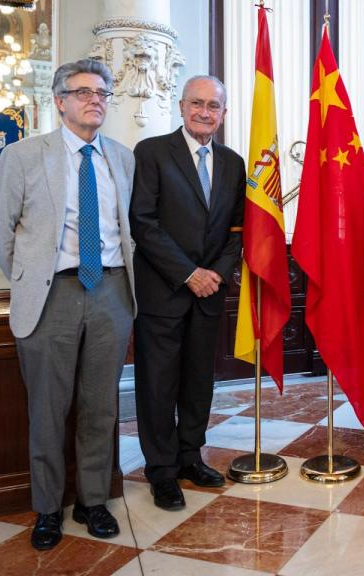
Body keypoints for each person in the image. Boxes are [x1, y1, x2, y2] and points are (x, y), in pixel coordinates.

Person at [0, 58, 136, 551]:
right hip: (52, 293)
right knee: (48, 409)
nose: (96, 99)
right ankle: (48, 508)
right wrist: (31, 279)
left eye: (102, 92)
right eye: (84, 92)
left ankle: (93, 501)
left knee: (100, 408)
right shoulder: (25, 155)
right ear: (60, 100)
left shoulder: (122, 156)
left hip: (112, 290)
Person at [129, 75, 246, 511]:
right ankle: (160, 471)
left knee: (199, 382)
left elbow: (237, 230)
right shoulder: (153, 152)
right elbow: (143, 222)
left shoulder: (234, 163)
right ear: (181, 107)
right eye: (197, 103)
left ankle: (189, 456)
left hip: (210, 293)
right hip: (164, 291)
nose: (204, 112)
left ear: (223, 113)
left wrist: (213, 273)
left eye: (213, 106)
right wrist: (188, 273)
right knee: (158, 385)